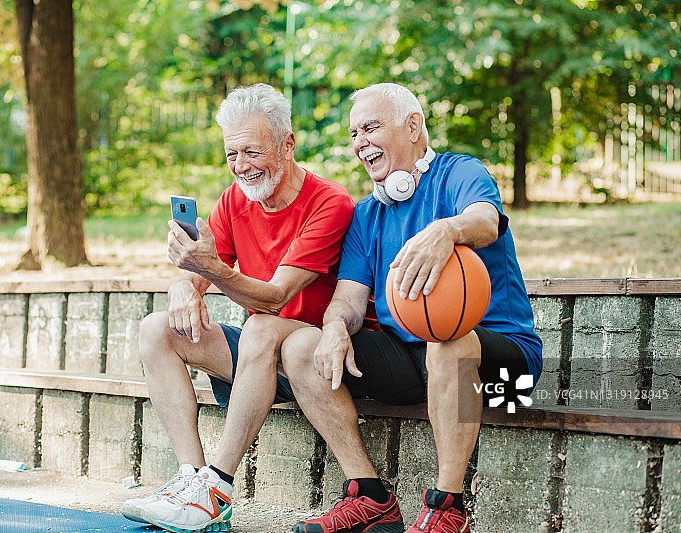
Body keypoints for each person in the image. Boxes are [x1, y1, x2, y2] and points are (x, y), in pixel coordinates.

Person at [280, 83, 542, 533]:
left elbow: (486, 219)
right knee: (303, 345)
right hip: (419, 369)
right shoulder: (367, 214)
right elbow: (347, 298)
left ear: (414, 125)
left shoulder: (460, 173)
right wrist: (337, 327)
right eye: (353, 133)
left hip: (507, 378)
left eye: (370, 127)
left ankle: (446, 507)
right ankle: (371, 497)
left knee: (446, 341)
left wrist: (448, 230)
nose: (359, 141)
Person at [121, 83, 370, 533]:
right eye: (231, 154)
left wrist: (210, 270)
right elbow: (196, 274)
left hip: (313, 359)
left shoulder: (329, 203)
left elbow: (277, 297)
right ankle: (191, 480)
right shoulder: (236, 199)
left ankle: (217, 491)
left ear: (287, 144)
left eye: (252, 152)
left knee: (260, 328)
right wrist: (183, 287)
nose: (240, 166)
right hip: (259, 361)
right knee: (156, 330)